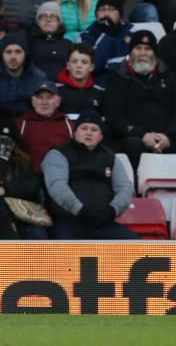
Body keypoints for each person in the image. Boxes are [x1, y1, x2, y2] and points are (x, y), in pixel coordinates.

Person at [43, 110, 138, 239]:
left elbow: (125, 189)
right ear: (75, 133)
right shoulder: (58, 154)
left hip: (104, 222)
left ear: (101, 136)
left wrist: (112, 211)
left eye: (94, 129)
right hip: (68, 221)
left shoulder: (111, 157)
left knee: (134, 243)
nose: (88, 132)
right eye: (84, 128)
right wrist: (80, 210)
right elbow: (57, 186)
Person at [103, 30, 176, 170]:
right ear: (130, 52)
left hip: (168, 137)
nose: (143, 53)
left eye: (148, 49)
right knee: (132, 145)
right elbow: (114, 116)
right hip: (134, 138)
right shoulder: (117, 78)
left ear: (154, 53)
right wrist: (142, 135)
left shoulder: (170, 77)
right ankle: (135, 189)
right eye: (138, 48)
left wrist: (169, 137)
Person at [0, 31, 49, 119]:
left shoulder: (38, 77)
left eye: (18, 52)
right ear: (1, 54)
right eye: (8, 52)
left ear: (25, 54)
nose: (13, 57)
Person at [15, 81, 74, 170]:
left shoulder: (69, 125)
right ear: (33, 101)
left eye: (49, 98)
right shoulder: (21, 124)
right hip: (29, 176)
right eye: (40, 97)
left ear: (58, 101)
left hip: (60, 175)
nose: (44, 102)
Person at [79, 0, 133, 84]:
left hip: (126, 82)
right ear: (96, 15)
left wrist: (107, 65)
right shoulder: (85, 36)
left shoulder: (132, 32)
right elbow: (94, 65)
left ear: (120, 14)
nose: (106, 14)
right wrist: (108, 34)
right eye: (102, 10)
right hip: (96, 85)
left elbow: (131, 63)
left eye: (111, 9)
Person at [28, 1, 74, 79]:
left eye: (53, 16)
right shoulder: (29, 42)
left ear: (59, 22)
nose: (48, 20)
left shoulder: (68, 44)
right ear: (37, 21)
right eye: (43, 16)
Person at [55, 42, 105, 115]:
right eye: (74, 61)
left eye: (84, 62)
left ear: (91, 67)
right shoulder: (56, 91)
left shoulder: (100, 93)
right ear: (68, 65)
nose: (79, 65)